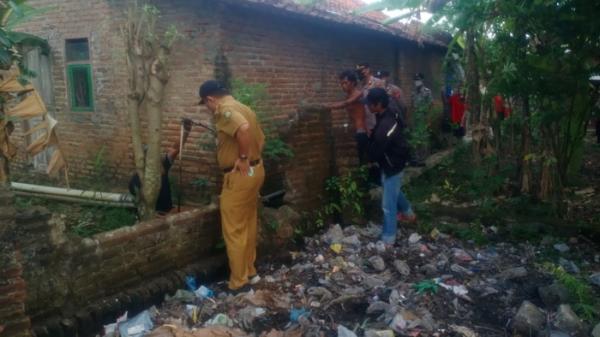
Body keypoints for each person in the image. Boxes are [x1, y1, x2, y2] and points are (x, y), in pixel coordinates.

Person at [198, 80, 265, 293]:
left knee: (234, 229)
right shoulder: (244, 107)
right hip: (256, 171)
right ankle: (250, 271)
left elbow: (243, 129)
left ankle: (239, 282)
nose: (207, 109)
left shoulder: (224, 110)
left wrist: (243, 158)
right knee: (248, 222)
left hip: (239, 175)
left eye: (205, 104)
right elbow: (260, 138)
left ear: (210, 99)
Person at [367, 88, 415, 245]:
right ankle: (408, 213)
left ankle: (388, 239)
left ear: (378, 104)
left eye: (370, 104)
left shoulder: (385, 125)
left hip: (392, 165)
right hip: (393, 162)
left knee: (388, 206)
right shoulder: (388, 113)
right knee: (393, 190)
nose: (367, 106)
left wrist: (369, 159)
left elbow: (377, 149)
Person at [128, 118, 192, 215]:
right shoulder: (136, 179)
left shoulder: (162, 164)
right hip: (153, 215)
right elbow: (140, 203)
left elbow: (176, 148)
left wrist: (186, 131)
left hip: (167, 212)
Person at [326, 70, 369, 164]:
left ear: (353, 83)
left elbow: (345, 104)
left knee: (363, 160)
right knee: (357, 160)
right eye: (341, 83)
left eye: (345, 83)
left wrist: (327, 106)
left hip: (361, 130)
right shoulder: (348, 96)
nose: (343, 86)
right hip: (354, 130)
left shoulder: (358, 94)